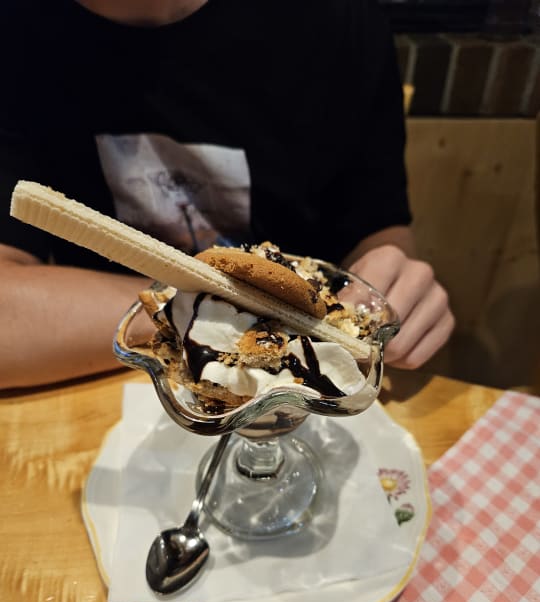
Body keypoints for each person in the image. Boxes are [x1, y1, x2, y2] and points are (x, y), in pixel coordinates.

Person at [0, 0, 454, 390]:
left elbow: (376, 230)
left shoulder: (337, 21)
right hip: (108, 376)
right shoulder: (18, 31)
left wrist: (393, 288)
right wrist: (220, 308)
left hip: (302, 382)